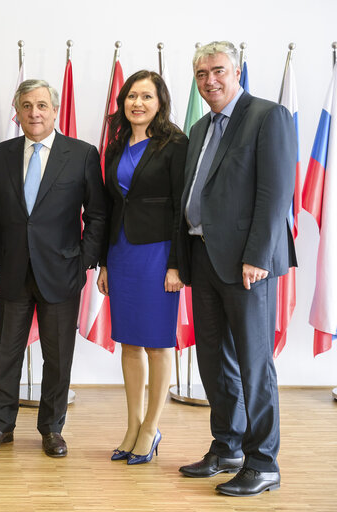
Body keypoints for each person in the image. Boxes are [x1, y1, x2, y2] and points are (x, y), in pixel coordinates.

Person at [176, 41, 296, 497]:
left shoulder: (268, 116)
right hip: (203, 258)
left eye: (219, 70)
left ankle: (263, 462)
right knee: (214, 361)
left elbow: (275, 194)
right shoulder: (201, 126)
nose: (210, 80)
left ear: (238, 69)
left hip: (248, 264)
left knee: (253, 363)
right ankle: (226, 447)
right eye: (202, 73)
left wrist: (257, 257)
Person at [0, 79, 108, 457]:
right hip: (11, 271)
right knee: (7, 355)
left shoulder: (82, 154)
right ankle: (1, 425)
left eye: (41, 105)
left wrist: (83, 260)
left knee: (58, 357)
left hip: (61, 272)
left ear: (54, 110)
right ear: (16, 113)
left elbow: (97, 215)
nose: (34, 112)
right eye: (26, 106)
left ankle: (51, 429)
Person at [96, 70, 187, 465]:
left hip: (158, 253)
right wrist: (103, 262)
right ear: (123, 102)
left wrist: (176, 264)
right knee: (129, 342)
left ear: (160, 102)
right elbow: (110, 206)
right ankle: (132, 425)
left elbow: (183, 207)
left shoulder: (175, 144)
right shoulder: (115, 147)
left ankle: (151, 427)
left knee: (157, 342)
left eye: (146, 97)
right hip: (122, 254)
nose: (138, 103)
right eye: (132, 96)